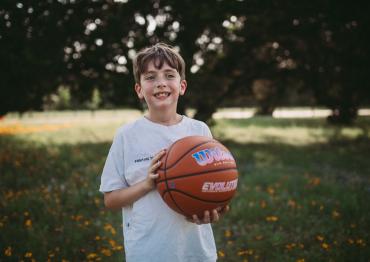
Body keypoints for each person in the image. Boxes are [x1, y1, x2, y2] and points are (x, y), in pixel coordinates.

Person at [99, 43, 228, 262]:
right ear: (139, 90)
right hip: (148, 252)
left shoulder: (199, 131)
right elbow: (110, 199)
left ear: (182, 86)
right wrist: (148, 184)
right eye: (150, 77)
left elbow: (214, 182)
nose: (160, 83)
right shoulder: (127, 136)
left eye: (169, 75)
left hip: (196, 252)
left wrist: (215, 204)